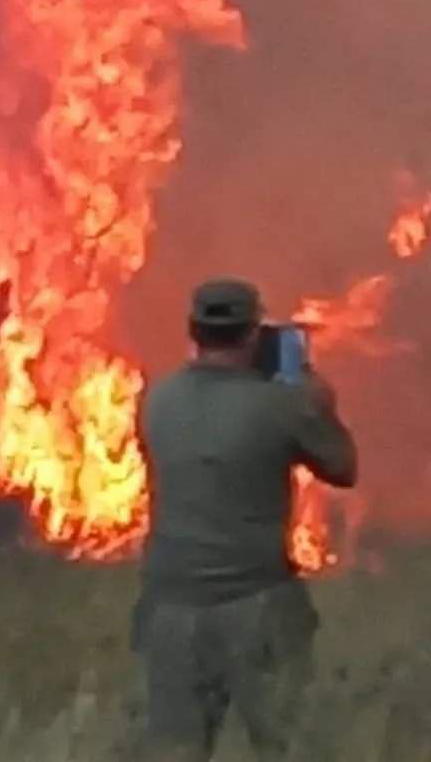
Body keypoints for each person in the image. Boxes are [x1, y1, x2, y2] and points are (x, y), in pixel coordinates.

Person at [133, 278, 358, 762]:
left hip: (170, 608)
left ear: (193, 330)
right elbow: (343, 468)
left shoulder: (156, 400)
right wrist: (313, 393)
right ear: (254, 334)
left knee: (176, 749)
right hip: (255, 602)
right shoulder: (280, 404)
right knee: (287, 744)